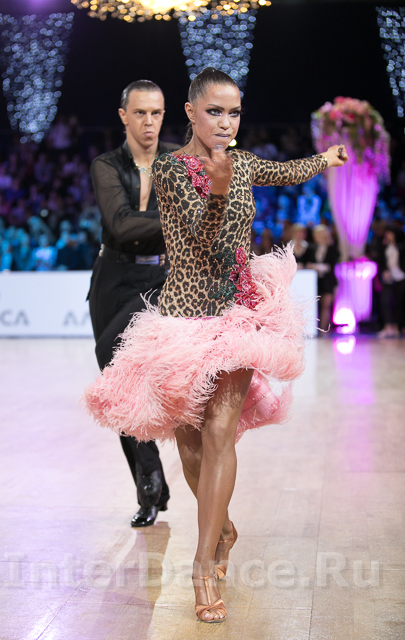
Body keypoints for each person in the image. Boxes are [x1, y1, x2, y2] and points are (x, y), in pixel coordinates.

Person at [83, 67, 348, 622]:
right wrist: (221, 190)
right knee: (190, 448)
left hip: (237, 313)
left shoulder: (243, 162)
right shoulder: (172, 169)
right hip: (181, 320)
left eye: (234, 113)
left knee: (220, 432)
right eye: (215, 112)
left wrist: (324, 160)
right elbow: (204, 239)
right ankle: (222, 526)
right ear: (190, 112)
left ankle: (203, 564)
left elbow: (283, 171)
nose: (226, 123)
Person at [88, 80, 178, 528]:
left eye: (156, 113)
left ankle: (150, 479)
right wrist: (180, 217)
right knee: (117, 386)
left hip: (159, 280)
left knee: (130, 375)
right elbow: (120, 226)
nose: (149, 122)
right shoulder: (105, 165)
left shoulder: (180, 161)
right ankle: (150, 480)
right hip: (112, 280)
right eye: (140, 113)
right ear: (124, 116)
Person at [305, 224, 340, 332]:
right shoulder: (312, 248)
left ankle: (323, 329)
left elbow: (330, 266)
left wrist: (316, 266)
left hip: (328, 281)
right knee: (316, 306)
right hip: (315, 281)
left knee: (326, 305)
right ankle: (315, 329)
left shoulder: (332, 249)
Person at [376, 227, 405, 337]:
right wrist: (384, 270)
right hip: (388, 278)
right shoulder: (383, 247)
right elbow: (381, 261)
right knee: (385, 301)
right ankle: (387, 326)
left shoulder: (401, 247)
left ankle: (398, 326)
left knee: (400, 302)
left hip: (400, 277)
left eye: (390, 234)